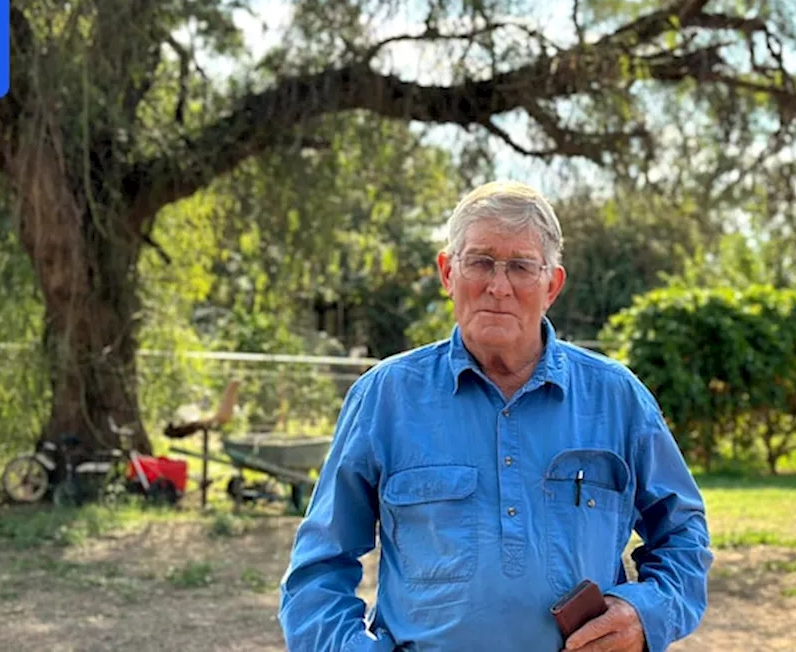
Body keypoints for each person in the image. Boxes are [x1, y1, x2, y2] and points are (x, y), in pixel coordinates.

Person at [279, 180, 713, 652]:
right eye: (480, 261)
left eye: (522, 267)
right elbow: (317, 571)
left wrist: (645, 614)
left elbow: (684, 534)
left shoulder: (617, 398)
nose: (498, 286)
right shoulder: (385, 398)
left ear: (553, 284)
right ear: (448, 273)